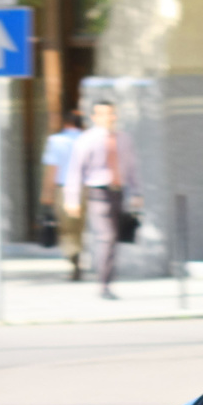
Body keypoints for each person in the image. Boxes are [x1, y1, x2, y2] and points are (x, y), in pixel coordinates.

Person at [64, 101, 141, 300]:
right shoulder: (86, 140)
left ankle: (107, 279)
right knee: (106, 237)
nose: (109, 117)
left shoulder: (124, 139)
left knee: (114, 238)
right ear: (95, 117)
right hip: (98, 193)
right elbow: (75, 170)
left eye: (111, 113)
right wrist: (72, 199)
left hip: (119, 192)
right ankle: (104, 284)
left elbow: (131, 167)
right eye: (104, 114)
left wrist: (136, 192)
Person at [41, 111, 85, 280]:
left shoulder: (56, 141)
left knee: (67, 228)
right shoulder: (86, 139)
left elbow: (52, 168)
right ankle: (78, 256)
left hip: (64, 188)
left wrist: (47, 193)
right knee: (80, 227)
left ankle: (74, 259)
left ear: (66, 123)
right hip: (85, 188)